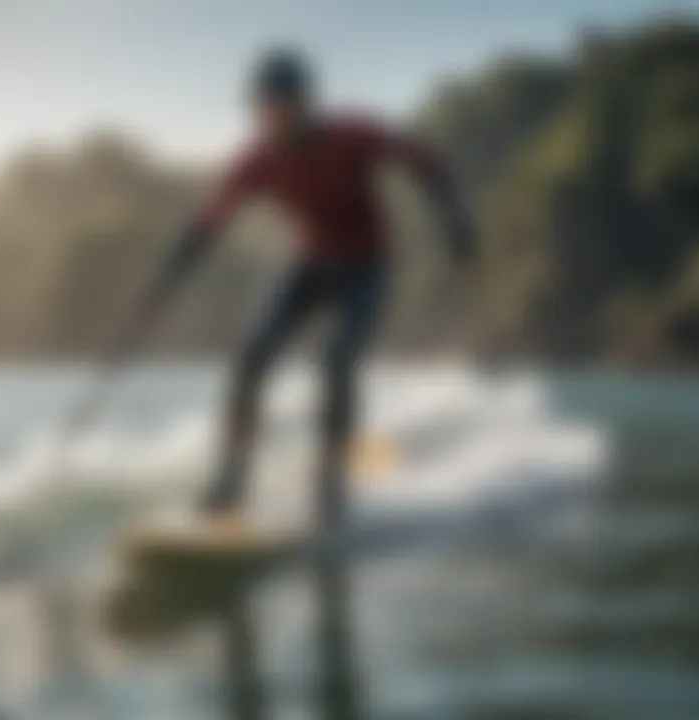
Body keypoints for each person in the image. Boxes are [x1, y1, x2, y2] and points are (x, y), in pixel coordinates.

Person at [124, 48, 474, 524]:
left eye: (283, 106)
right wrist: (164, 279)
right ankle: (232, 474)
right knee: (250, 356)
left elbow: (426, 162)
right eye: (264, 108)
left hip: (367, 265)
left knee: (335, 358)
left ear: (305, 104)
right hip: (308, 264)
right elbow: (207, 224)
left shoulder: (351, 135)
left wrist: (453, 221)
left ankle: (332, 481)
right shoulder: (256, 159)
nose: (273, 118)